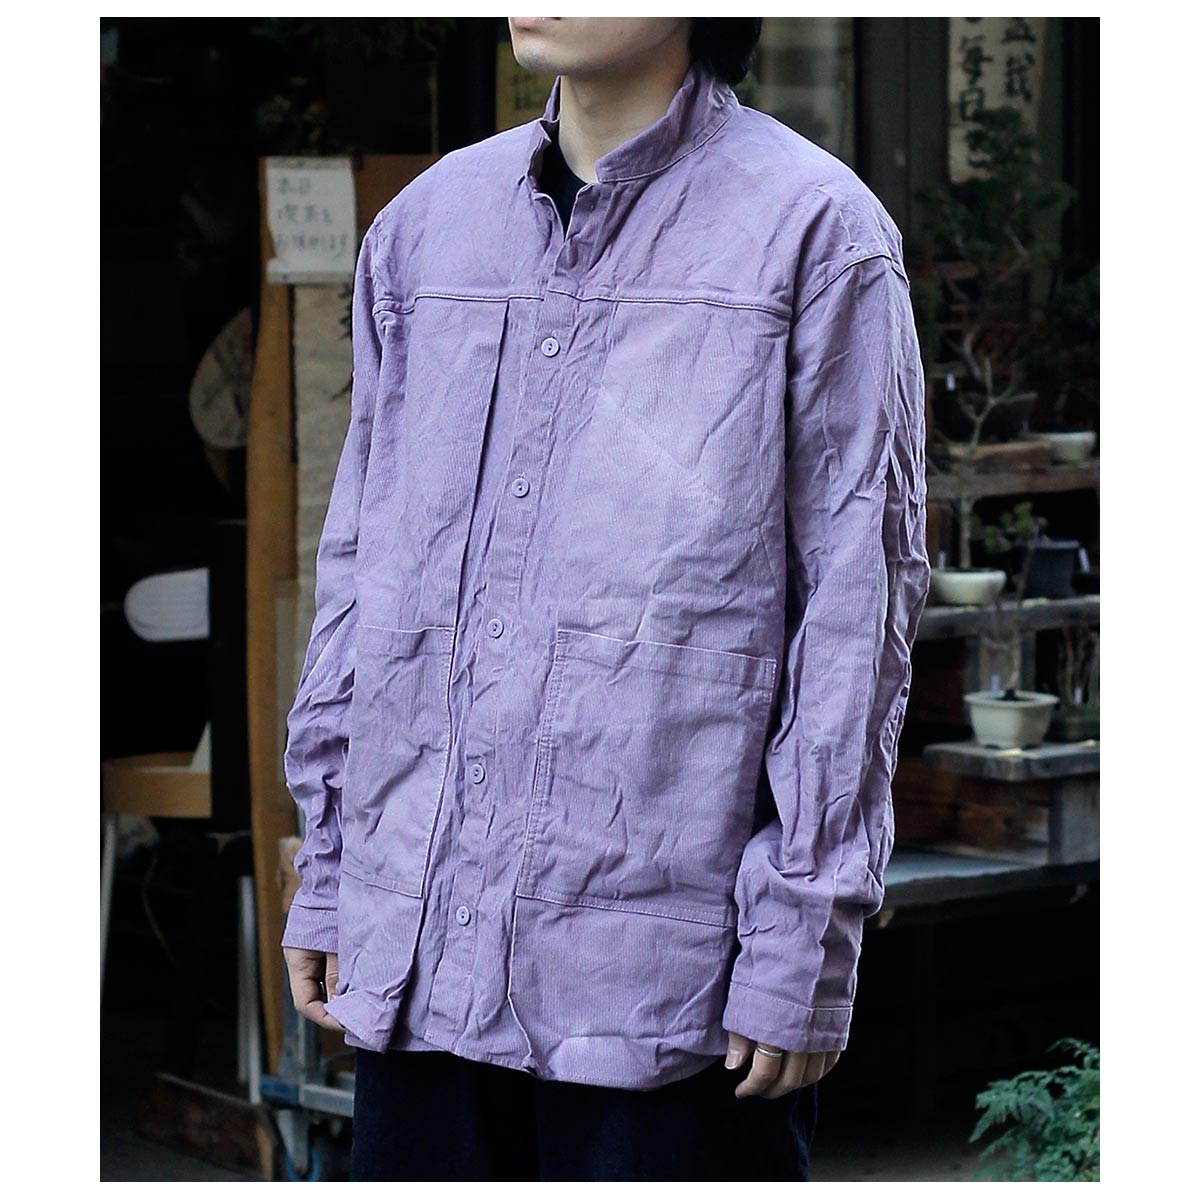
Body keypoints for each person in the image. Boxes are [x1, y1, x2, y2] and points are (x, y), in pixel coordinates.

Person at [280, 15, 930, 1182]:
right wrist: (330, 876)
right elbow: (361, 575)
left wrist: (803, 936)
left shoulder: (815, 234)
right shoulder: (425, 230)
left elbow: (856, 613)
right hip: (420, 945)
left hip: (665, 985)